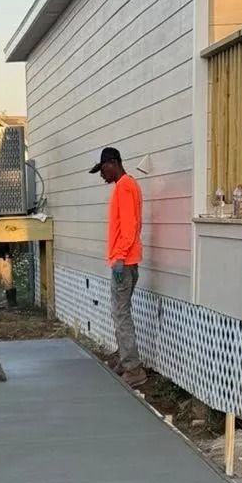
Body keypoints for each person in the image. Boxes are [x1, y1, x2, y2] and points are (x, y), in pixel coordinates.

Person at [89, 145, 143, 384]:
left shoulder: (124, 187)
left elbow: (129, 227)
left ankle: (133, 369)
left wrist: (120, 257)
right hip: (127, 260)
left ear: (112, 163)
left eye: (102, 169)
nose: (102, 174)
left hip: (125, 262)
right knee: (119, 312)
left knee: (121, 314)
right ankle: (124, 358)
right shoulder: (127, 185)